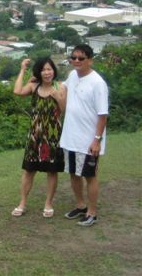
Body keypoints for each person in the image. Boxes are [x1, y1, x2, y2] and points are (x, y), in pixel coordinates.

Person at [60, 44, 109, 227]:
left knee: (90, 176)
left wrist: (97, 140)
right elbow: (62, 88)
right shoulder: (72, 75)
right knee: (73, 174)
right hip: (70, 137)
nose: (76, 61)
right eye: (73, 58)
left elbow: (103, 114)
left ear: (90, 60)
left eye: (81, 58)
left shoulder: (97, 83)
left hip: (88, 140)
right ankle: (81, 205)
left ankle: (92, 213)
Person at [12, 57, 66, 218]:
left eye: (49, 69)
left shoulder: (60, 87)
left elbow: (64, 110)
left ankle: (48, 203)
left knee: (52, 171)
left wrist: (58, 97)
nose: (47, 72)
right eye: (43, 70)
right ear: (39, 72)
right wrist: (22, 69)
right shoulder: (34, 86)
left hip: (53, 135)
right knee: (29, 170)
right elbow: (17, 91)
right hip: (35, 136)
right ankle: (22, 203)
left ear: (54, 70)